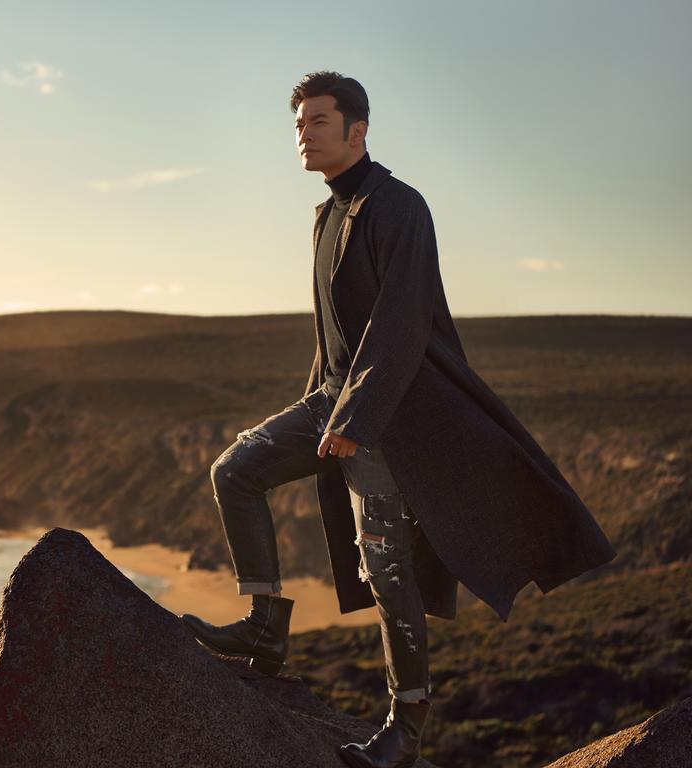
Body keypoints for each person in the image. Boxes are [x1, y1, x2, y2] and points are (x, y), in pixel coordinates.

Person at [179, 71, 616, 768]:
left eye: (318, 121)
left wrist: (357, 415)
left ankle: (404, 727)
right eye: (298, 124)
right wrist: (320, 403)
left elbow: (401, 321)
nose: (304, 133)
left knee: (385, 569)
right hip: (331, 399)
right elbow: (334, 334)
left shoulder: (398, 205)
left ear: (358, 129)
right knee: (235, 468)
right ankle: (264, 627)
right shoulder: (325, 215)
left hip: (390, 416)